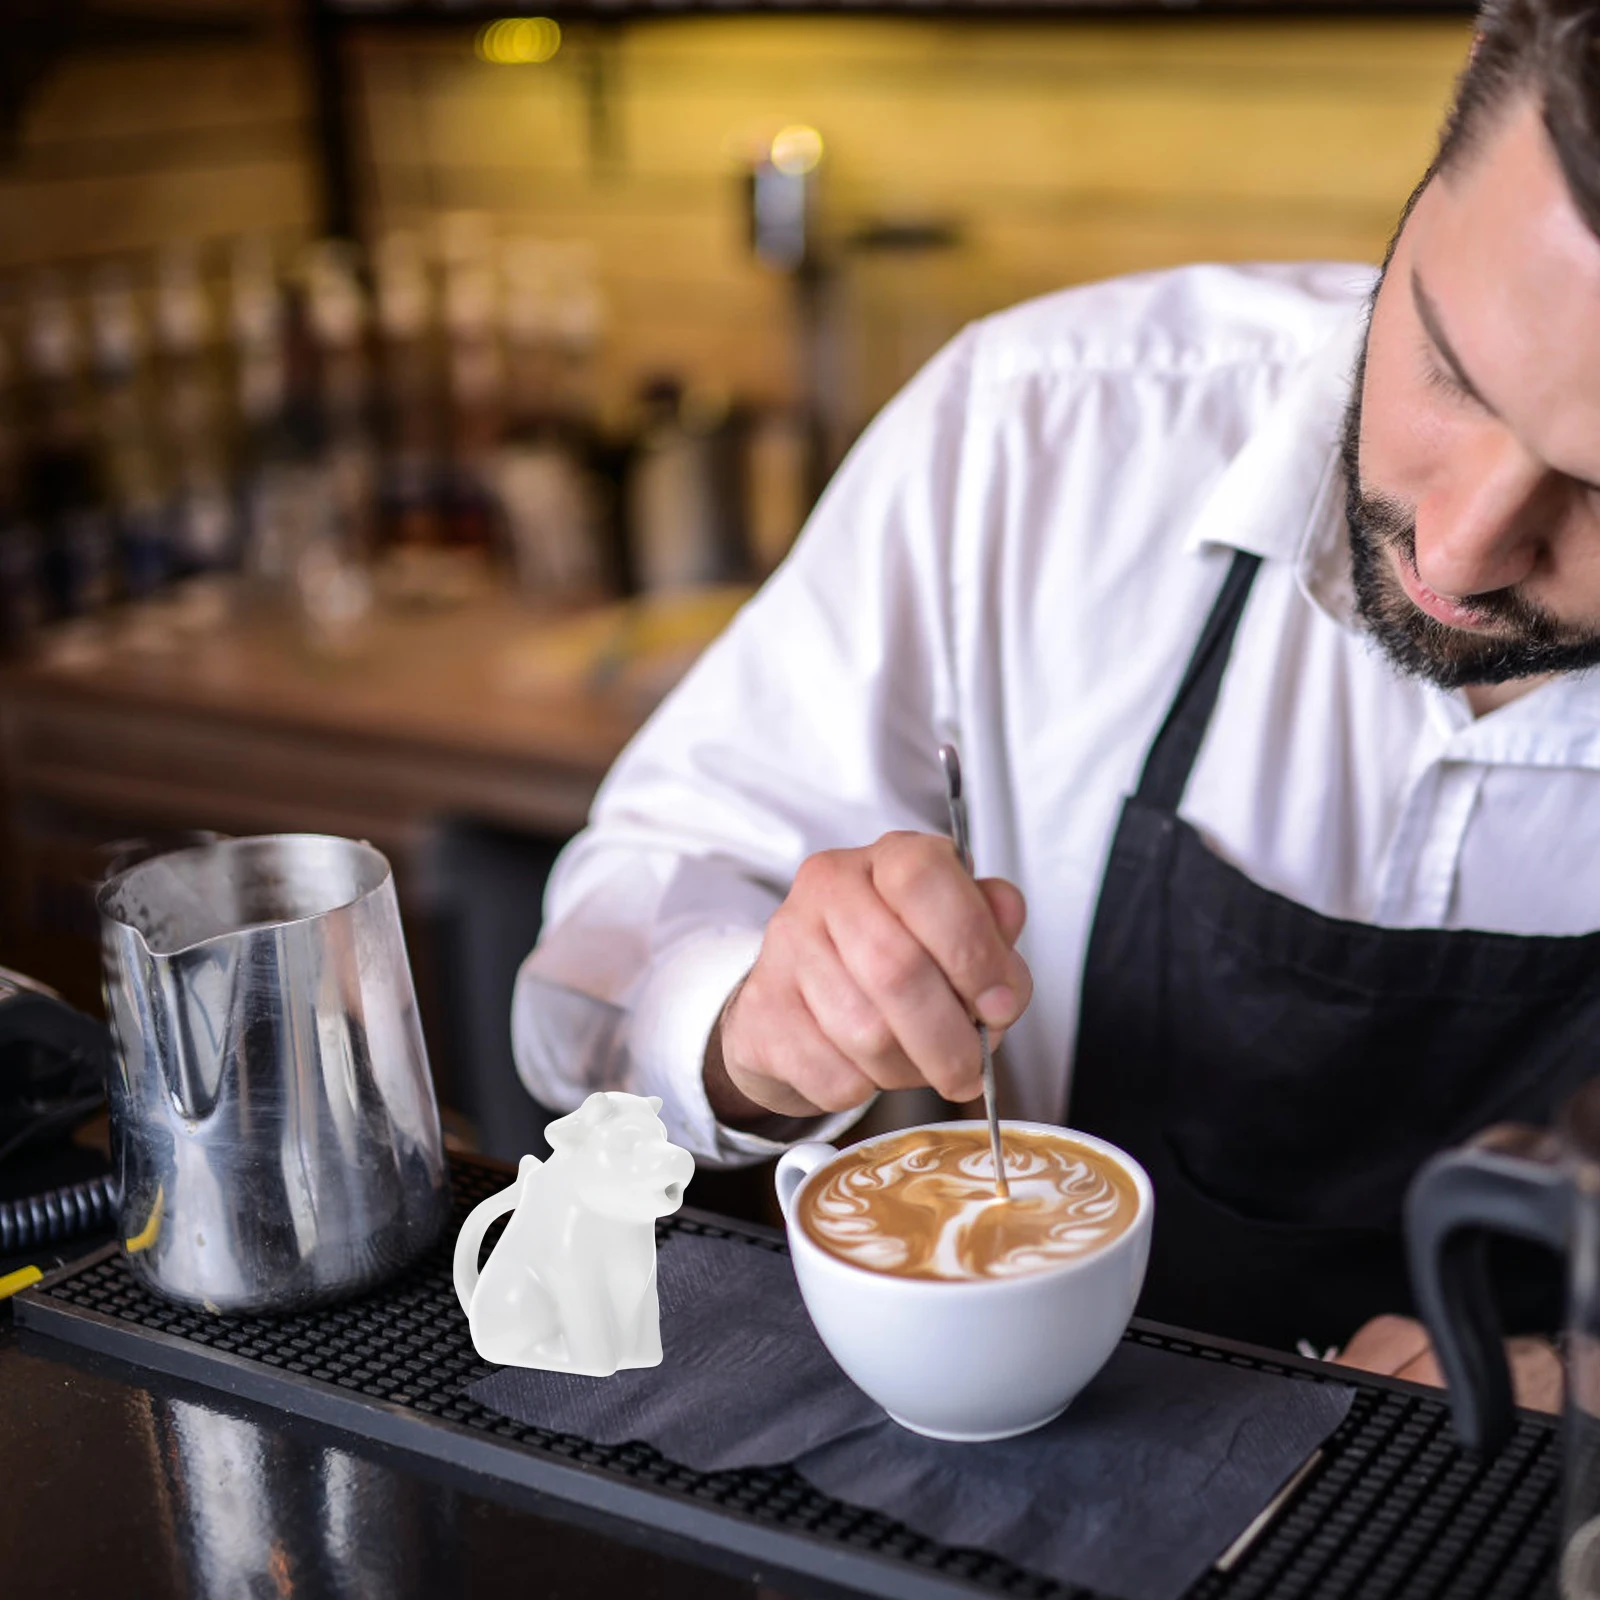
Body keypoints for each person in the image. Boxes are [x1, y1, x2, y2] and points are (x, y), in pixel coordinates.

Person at [513, 0, 1597, 1403]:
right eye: (1449, 368)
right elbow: (601, 980)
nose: (1457, 548)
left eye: (1596, 486)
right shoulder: (1042, 432)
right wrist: (753, 1024)